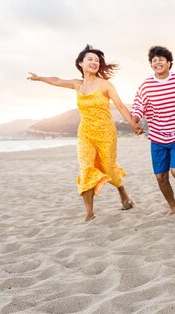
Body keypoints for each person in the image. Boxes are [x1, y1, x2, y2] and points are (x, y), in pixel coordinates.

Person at [27, 45, 141, 221]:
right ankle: (89, 213)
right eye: (90, 59)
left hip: (106, 134)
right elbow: (57, 80)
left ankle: (122, 192)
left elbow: (120, 106)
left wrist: (133, 124)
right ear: (81, 63)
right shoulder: (77, 84)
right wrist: (40, 78)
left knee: (109, 169)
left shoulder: (105, 85)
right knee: (86, 167)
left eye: (97, 60)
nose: (94, 62)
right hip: (85, 133)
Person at [131, 46, 175, 216]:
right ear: (151, 65)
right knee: (161, 177)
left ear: (169, 63)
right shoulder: (146, 86)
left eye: (161, 59)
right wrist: (135, 121)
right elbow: (138, 106)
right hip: (157, 137)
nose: (158, 62)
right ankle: (173, 206)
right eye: (154, 60)